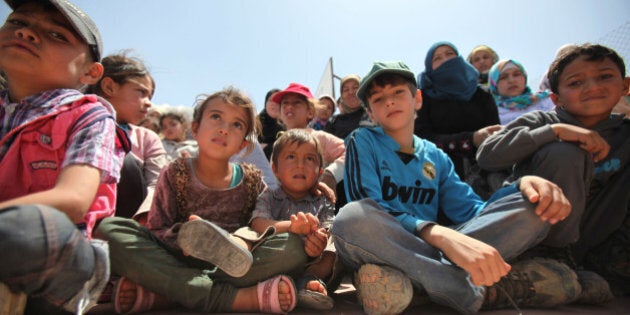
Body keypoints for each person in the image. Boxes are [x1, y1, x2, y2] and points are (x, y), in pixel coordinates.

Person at [331, 61, 584, 315]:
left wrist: (522, 186)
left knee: (533, 205)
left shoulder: (435, 155)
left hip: (432, 251)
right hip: (389, 243)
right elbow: (367, 203)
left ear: (417, 99)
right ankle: (479, 291)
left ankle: (417, 284)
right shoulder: (362, 140)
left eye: (398, 92)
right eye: (378, 99)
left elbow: (472, 210)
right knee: (352, 219)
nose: (389, 102)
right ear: (371, 114)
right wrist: (436, 233)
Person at [95, 87, 306, 314]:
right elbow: (157, 228)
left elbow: (263, 222)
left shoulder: (252, 181)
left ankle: (169, 293)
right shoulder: (176, 172)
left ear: (243, 145)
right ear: (195, 129)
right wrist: (184, 237)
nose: (224, 129)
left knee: (293, 247)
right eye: (216, 117)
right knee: (110, 231)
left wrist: (243, 240)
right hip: (177, 259)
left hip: (233, 266)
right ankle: (233, 298)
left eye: (237, 125)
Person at [0, 0, 128, 313]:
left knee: (25, 229)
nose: (28, 34)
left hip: (55, 251)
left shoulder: (90, 115)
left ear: (91, 71)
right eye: (18, 22)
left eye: (57, 35)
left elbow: (73, 199)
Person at [477, 43, 630, 298]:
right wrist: (554, 133)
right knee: (565, 152)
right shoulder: (543, 121)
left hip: (594, 235)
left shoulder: (625, 135)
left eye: (604, 77)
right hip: (538, 233)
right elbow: (487, 155)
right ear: (556, 98)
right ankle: (549, 258)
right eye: (576, 82)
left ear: (625, 86)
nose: (593, 87)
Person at [250, 129, 337, 310]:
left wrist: (319, 240)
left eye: (309, 159)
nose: (300, 165)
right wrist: (291, 227)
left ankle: (306, 282)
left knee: (336, 246)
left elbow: (328, 228)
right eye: (291, 157)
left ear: (319, 172)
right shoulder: (269, 196)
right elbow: (257, 222)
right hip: (280, 260)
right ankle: (287, 285)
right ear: (275, 169)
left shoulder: (323, 200)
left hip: (313, 264)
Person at [86, 52, 169, 223]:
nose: (148, 103)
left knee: (127, 162)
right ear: (109, 87)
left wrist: (142, 218)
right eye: (141, 92)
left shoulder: (147, 138)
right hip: (76, 212)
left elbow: (156, 184)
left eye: (150, 96)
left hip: (126, 220)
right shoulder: (75, 121)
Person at [414, 41, 502, 199]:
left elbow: (495, 132)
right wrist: (470, 139)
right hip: (439, 173)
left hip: (485, 168)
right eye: (437, 58)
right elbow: (422, 139)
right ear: (429, 66)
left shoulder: (481, 94)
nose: (445, 60)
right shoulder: (423, 98)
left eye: (450, 54)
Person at [272, 82, 346, 203]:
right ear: (280, 113)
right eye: (285, 103)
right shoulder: (278, 145)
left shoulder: (319, 137)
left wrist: (331, 175)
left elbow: (350, 152)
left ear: (310, 112)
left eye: (297, 103)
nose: (289, 107)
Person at [488, 59, 555, 125]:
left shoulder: (547, 101)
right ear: (494, 85)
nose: (511, 80)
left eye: (516, 74)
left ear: (525, 78)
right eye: (503, 77)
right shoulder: (490, 113)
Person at [323, 74, 374, 140]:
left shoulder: (374, 113)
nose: (351, 92)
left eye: (355, 87)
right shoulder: (334, 121)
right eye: (346, 90)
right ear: (342, 96)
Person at [257, 88, 284, 160]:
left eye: (277, 101)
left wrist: (267, 147)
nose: (273, 104)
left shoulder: (291, 124)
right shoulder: (254, 124)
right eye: (270, 100)